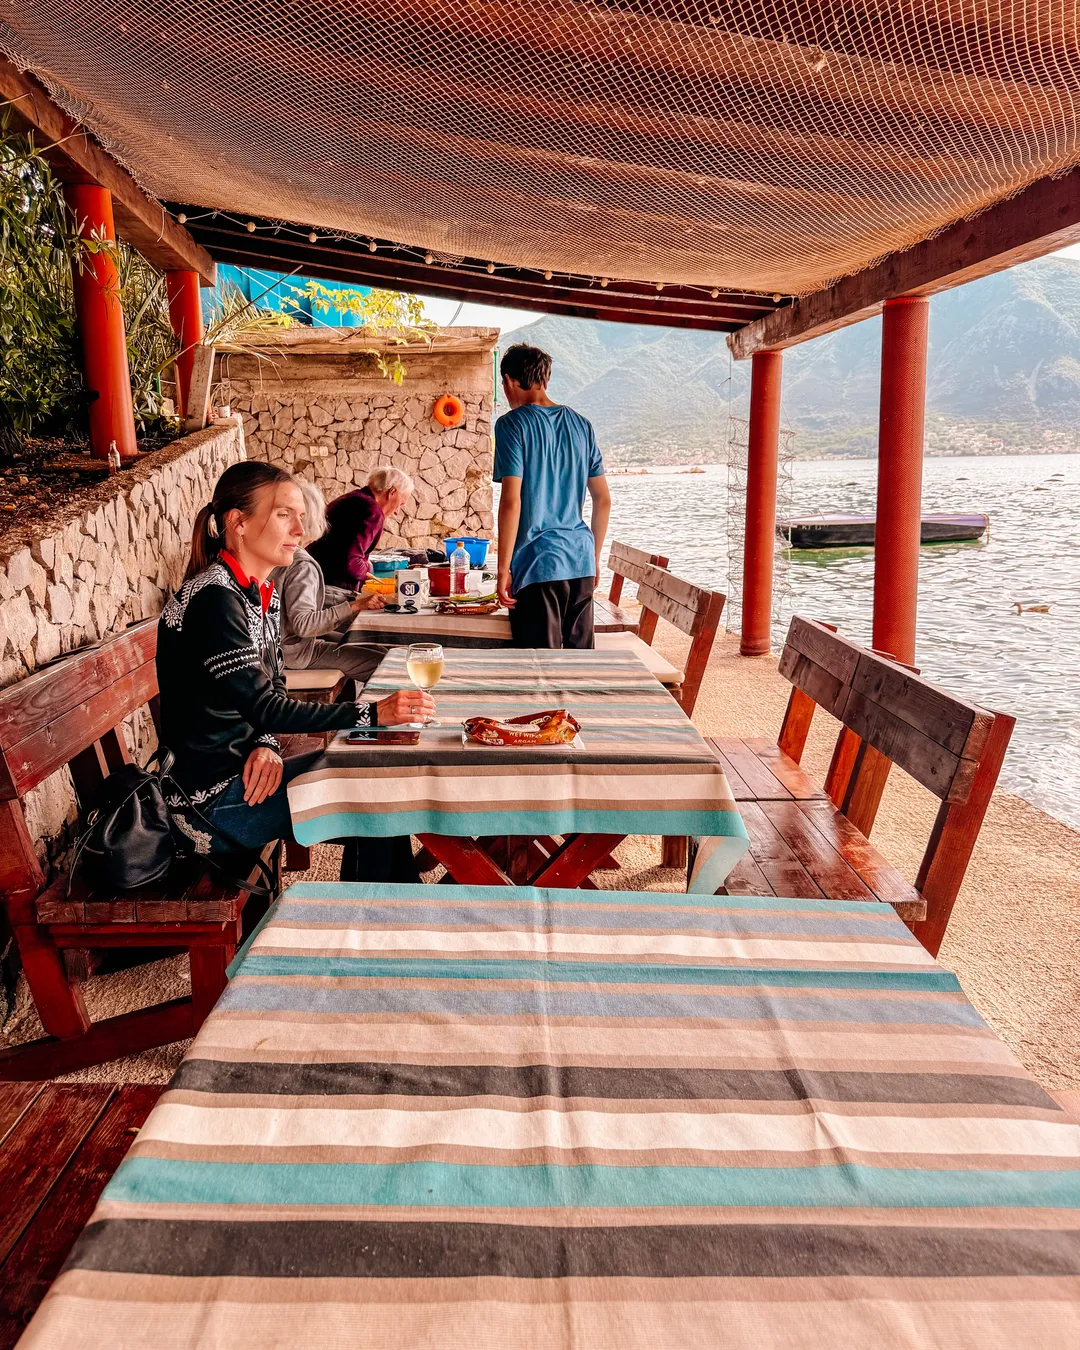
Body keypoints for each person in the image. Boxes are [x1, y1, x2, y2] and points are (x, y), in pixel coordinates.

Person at [156, 461, 434, 881]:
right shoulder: (215, 600)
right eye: (284, 515)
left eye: (300, 517)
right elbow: (266, 706)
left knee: (376, 787)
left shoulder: (256, 591)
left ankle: (387, 913)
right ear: (239, 522)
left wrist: (265, 743)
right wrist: (373, 714)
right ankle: (380, 915)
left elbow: (273, 686)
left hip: (244, 773)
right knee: (372, 796)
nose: (300, 531)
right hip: (208, 803)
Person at [494, 343, 611, 648]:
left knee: (540, 667)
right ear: (545, 379)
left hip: (538, 564)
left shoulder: (512, 424)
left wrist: (503, 569)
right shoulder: (582, 425)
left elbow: (511, 501)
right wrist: (594, 558)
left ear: (508, 381)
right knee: (579, 666)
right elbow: (603, 499)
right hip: (581, 561)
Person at [273, 478, 391, 687]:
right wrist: (354, 606)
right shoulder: (301, 564)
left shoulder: (277, 553)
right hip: (293, 654)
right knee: (386, 664)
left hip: (281, 647)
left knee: (375, 649)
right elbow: (304, 625)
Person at [307, 466, 414, 589]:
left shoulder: (351, 498)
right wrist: (370, 573)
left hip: (315, 577)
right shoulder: (372, 510)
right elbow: (352, 563)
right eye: (400, 504)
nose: (397, 512)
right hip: (333, 587)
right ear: (392, 492)